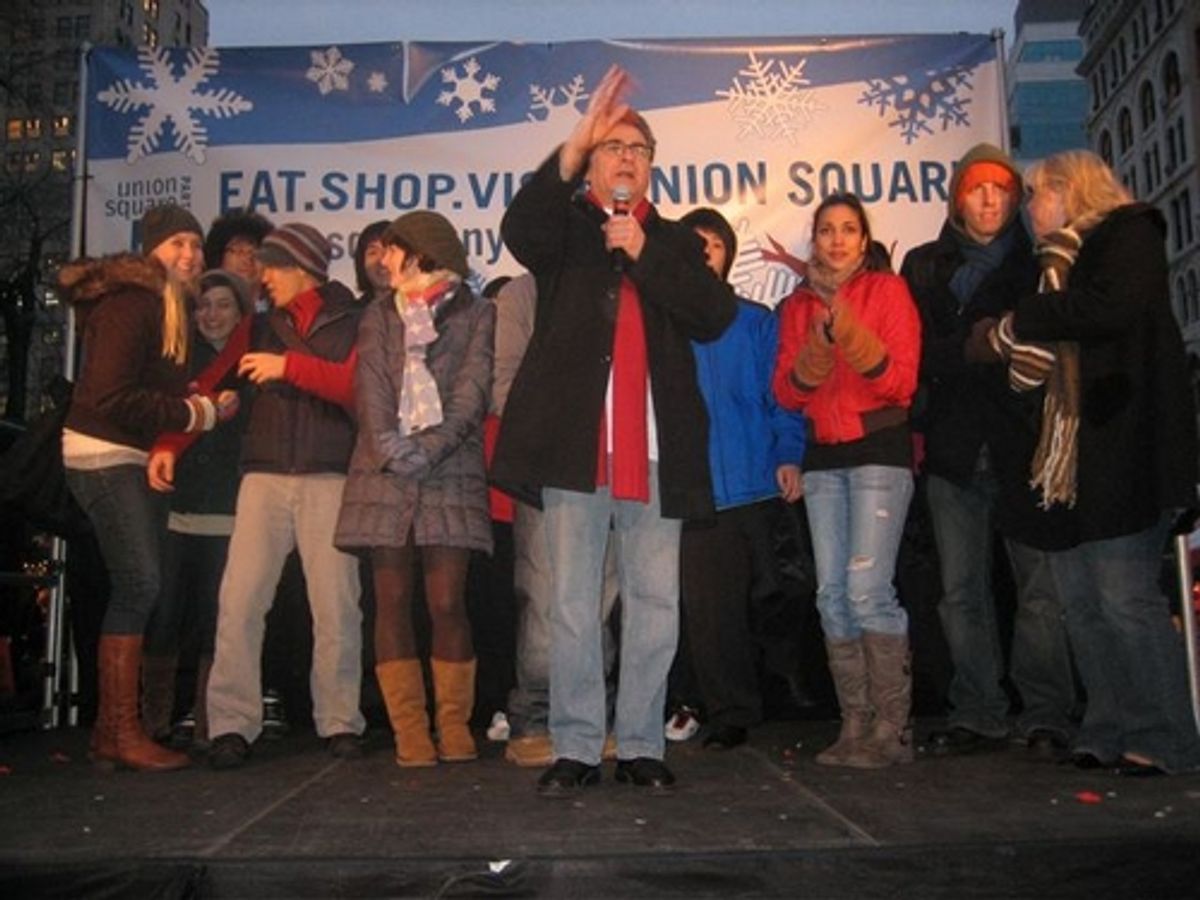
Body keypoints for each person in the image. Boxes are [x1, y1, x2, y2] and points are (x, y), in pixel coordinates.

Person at [492, 64, 737, 796]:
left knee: (655, 604)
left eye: (638, 149)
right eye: (612, 147)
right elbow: (518, 231)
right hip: (575, 450)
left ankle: (638, 745)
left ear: (652, 166)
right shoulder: (565, 231)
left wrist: (642, 251)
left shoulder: (674, 242)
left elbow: (713, 313)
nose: (626, 158)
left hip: (657, 454)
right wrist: (571, 147)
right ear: (593, 162)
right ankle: (574, 746)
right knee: (571, 604)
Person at [983, 149, 1200, 775]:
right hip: (1072, 461)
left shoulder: (1129, 234)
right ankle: (1106, 727)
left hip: (1125, 451)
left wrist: (1025, 317)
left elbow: (1109, 310)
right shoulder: (1048, 267)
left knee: (1124, 599)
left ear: (1069, 190)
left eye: (1035, 193)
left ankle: (1164, 736)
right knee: (1081, 603)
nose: (1028, 207)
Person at [900, 144, 1077, 755]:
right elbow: (914, 353)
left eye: (1001, 188)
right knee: (959, 593)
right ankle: (977, 711)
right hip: (953, 448)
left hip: (1024, 446)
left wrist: (990, 347)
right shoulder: (924, 265)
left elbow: (1054, 347)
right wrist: (977, 347)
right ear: (957, 197)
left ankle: (1047, 712)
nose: (988, 199)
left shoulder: (1042, 262)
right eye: (976, 187)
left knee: (1040, 589)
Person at [60, 203, 237, 771]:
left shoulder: (164, 303)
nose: (189, 254)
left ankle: (111, 735)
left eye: (195, 244)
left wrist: (185, 417)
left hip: (126, 456)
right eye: (176, 243)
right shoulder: (133, 302)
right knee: (141, 583)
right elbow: (109, 394)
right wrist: (195, 414)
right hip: (104, 454)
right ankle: (122, 729)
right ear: (151, 250)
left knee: (137, 586)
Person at [334, 211, 495, 767]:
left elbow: (473, 392)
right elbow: (371, 390)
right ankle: (409, 730)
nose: (383, 259)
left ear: (421, 251)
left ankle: (452, 724)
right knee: (392, 599)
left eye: (392, 248)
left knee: (447, 601)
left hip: (450, 469)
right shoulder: (379, 314)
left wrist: (428, 449)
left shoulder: (478, 312)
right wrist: (392, 449)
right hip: (383, 472)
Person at [205, 223, 366, 769]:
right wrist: (172, 440)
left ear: (301, 267)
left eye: (272, 266)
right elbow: (210, 381)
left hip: (330, 473)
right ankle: (231, 724)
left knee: (336, 605)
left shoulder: (355, 320)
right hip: (264, 473)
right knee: (240, 601)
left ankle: (340, 720)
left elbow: (358, 391)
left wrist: (289, 367)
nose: (264, 276)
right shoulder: (256, 325)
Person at [772, 192, 921, 769]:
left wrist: (849, 334)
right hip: (823, 461)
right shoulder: (796, 306)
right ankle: (855, 724)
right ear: (815, 239)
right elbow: (787, 392)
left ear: (864, 240)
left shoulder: (888, 291)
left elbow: (900, 385)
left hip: (879, 454)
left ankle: (893, 729)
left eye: (849, 229)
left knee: (866, 591)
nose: (837, 240)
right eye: (827, 230)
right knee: (831, 597)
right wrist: (817, 346)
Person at [669, 207, 806, 751]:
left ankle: (788, 700)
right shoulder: (665, 326)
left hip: (758, 483)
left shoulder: (756, 321)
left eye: (716, 244)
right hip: (697, 491)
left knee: (773, 604)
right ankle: (730, 711)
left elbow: (783, 396)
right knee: (711, 612)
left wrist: (789, 453)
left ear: (728, 255)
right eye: (694, 243)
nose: (705, 252)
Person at [492, 273, 622, 768]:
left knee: (600, 596)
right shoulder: (523, 293)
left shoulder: (616, 284)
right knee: (546, 594)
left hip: (609, 463)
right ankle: (537, 717)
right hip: (547, 464)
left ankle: (596, 714)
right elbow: (503, 385)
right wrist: (564, 426)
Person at [143, 270, 252, 747]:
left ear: (241, 312)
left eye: (223, 305)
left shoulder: (253, 363)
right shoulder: (175, 361)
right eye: (204, 305)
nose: (212, 315)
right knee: (164, 614)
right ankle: (153, 723)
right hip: (175, 505)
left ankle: (212, 724)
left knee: (217, 621)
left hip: (230, 510)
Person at [204, 208, 273, 310]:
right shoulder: (204, 312)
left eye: (253, 252)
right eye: (238, 250)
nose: (247, 259)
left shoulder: (281, 312)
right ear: (218, 257)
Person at [352, 220, 393, 305]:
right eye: (373, 253)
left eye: (390, 250)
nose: (382, 261)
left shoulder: (420, 308)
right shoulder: (352, 312)